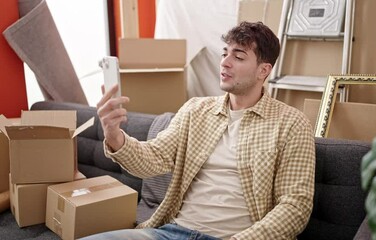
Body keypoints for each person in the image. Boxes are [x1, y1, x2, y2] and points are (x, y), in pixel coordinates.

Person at [83, 21, 315, 240]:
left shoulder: (291, 124)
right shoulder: (196, 110)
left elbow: (295, 206)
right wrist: (114, 136)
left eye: (238, 56)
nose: (225, 62)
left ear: (263, 71)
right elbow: (152, 159)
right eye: (225, 53)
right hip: (172, 232)